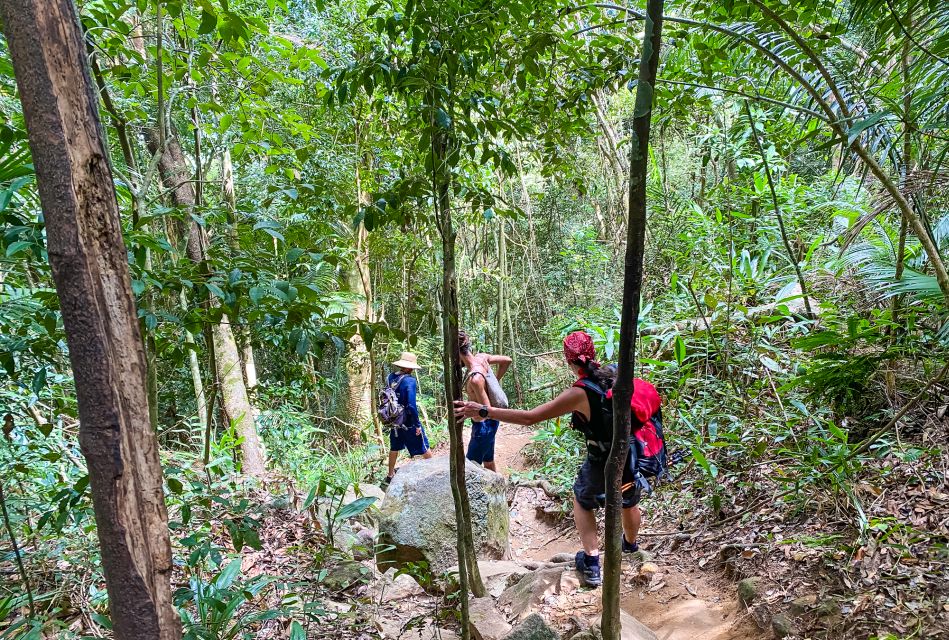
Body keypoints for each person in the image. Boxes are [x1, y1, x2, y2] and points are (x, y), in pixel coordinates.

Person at [454, 331, 658, 588]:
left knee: (582, 500)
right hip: (631, 453)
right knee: (629, 499)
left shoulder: (580, 391)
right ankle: (630, 546)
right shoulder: (614, 374)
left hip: (602, 459)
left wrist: (483, 410)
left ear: (568, 360)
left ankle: (593, 564)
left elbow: (531, 417)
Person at [459, 331, 512, 472]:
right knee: (488, 462)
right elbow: (507, 360)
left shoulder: (475, 379)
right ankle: (499, 491)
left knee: (471, 467)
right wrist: (495, 381)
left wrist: (468, 411)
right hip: (491, 424)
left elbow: (488, 411)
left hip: (484, 426)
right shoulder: (482, 358)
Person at [384, 351, 432, 486]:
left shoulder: (390, 377)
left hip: (394, 420)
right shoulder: (410, 381)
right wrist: (417, 424)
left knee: (394, 447)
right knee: (424, 446)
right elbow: (411, 405)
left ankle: (390, 475)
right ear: (411, 367)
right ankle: (435, 472)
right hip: (408, 421)